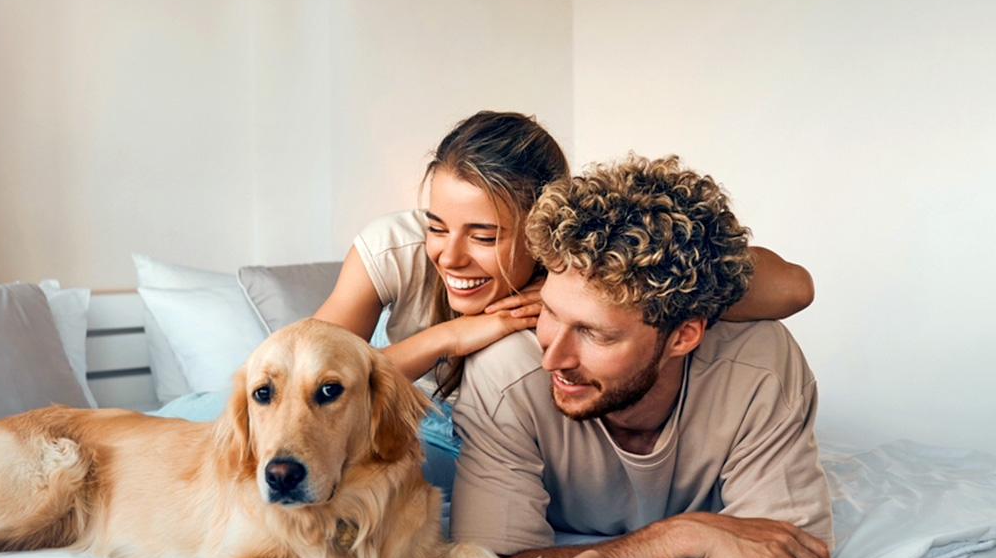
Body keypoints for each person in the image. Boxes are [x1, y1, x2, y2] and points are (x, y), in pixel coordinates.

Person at [449, 154, 834, 558]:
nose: (553, 357)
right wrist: (686, 536)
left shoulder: (757, 366)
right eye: (548, 311)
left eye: (596, 334)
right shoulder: (507, 372)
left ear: (684, 336)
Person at [314, 111, 815, 405]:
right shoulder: (394, 248)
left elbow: (794, 289)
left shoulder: (577, 262)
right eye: (437, 227)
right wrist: (451, 336)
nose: (450, 257)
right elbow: (302, 380)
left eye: (484, 237)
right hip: (412, 423)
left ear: (540, 226)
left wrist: (584, 286)